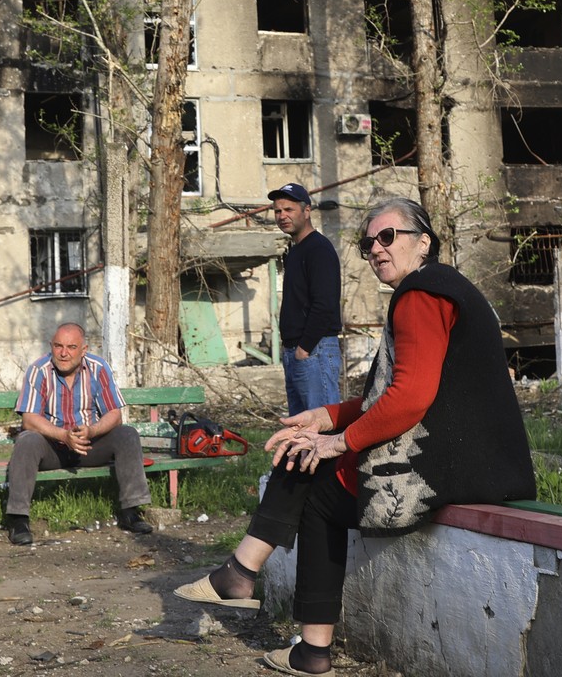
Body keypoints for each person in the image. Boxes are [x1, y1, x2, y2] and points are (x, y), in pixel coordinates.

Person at [175, 197, 536, 677]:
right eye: (368, 244)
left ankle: (253, 587)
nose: (377, 250)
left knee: (313, 475)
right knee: (309, 461)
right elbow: (395, 396)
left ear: (423, 241)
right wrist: (325, 418)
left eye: (389, 237)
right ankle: (270, 606)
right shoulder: (440, 288)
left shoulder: (422, 295)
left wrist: (339, 442)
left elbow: (408, 399)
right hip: (475, 461)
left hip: (454, 468)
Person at [2, 322, 155, 545]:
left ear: (83, 350)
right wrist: (63, 436)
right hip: (52, 446)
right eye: (58, 346)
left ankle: (131, 511)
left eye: (71, 347)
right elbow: (29, 419)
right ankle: (18, 519)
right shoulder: (39, 370)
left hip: (89, 444)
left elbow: (114, 414)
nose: (64, 353)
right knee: (27, 439)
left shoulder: (98, 368)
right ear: (51, 346)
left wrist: (92, 430)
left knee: (127, 434)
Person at [269, 183, 343, 415]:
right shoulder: (295, 251)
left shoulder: (318, 249)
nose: (282, 216)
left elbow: (325, 303)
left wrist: (304, 348)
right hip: (298, 352)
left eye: (289, 210)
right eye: (278, 211)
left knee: (320, 431)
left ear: (307, 211)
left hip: (314, 350)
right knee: (302, 431)